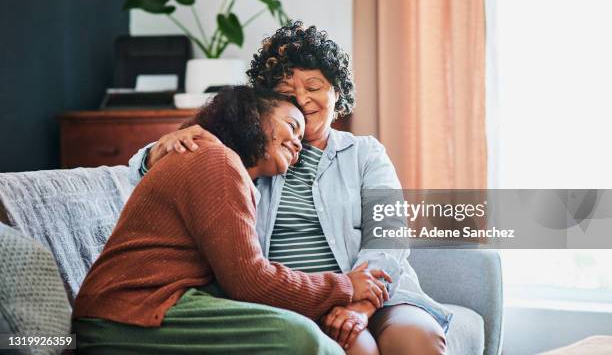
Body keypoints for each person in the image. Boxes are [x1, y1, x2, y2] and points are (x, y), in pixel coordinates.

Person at [131, 22, 452, 355]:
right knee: (358, 347)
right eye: (287, 90)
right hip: (297, 298)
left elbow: (389, 235)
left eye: (314, 86)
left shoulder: (365, 153)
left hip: (378, 297)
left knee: (417, 340)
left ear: (337, 92)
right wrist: (159, 149)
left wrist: (361, 306)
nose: (301, 98)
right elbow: (163, 169)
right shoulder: (251, 151)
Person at [73, 86, 392, 355]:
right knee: (303, 340)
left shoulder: (229, 169)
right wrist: (345, 285)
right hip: (126, 313)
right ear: (254, 117)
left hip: (149, 308)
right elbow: (250, 281)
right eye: (291, 126)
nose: (298, 142)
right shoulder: (216, 161)